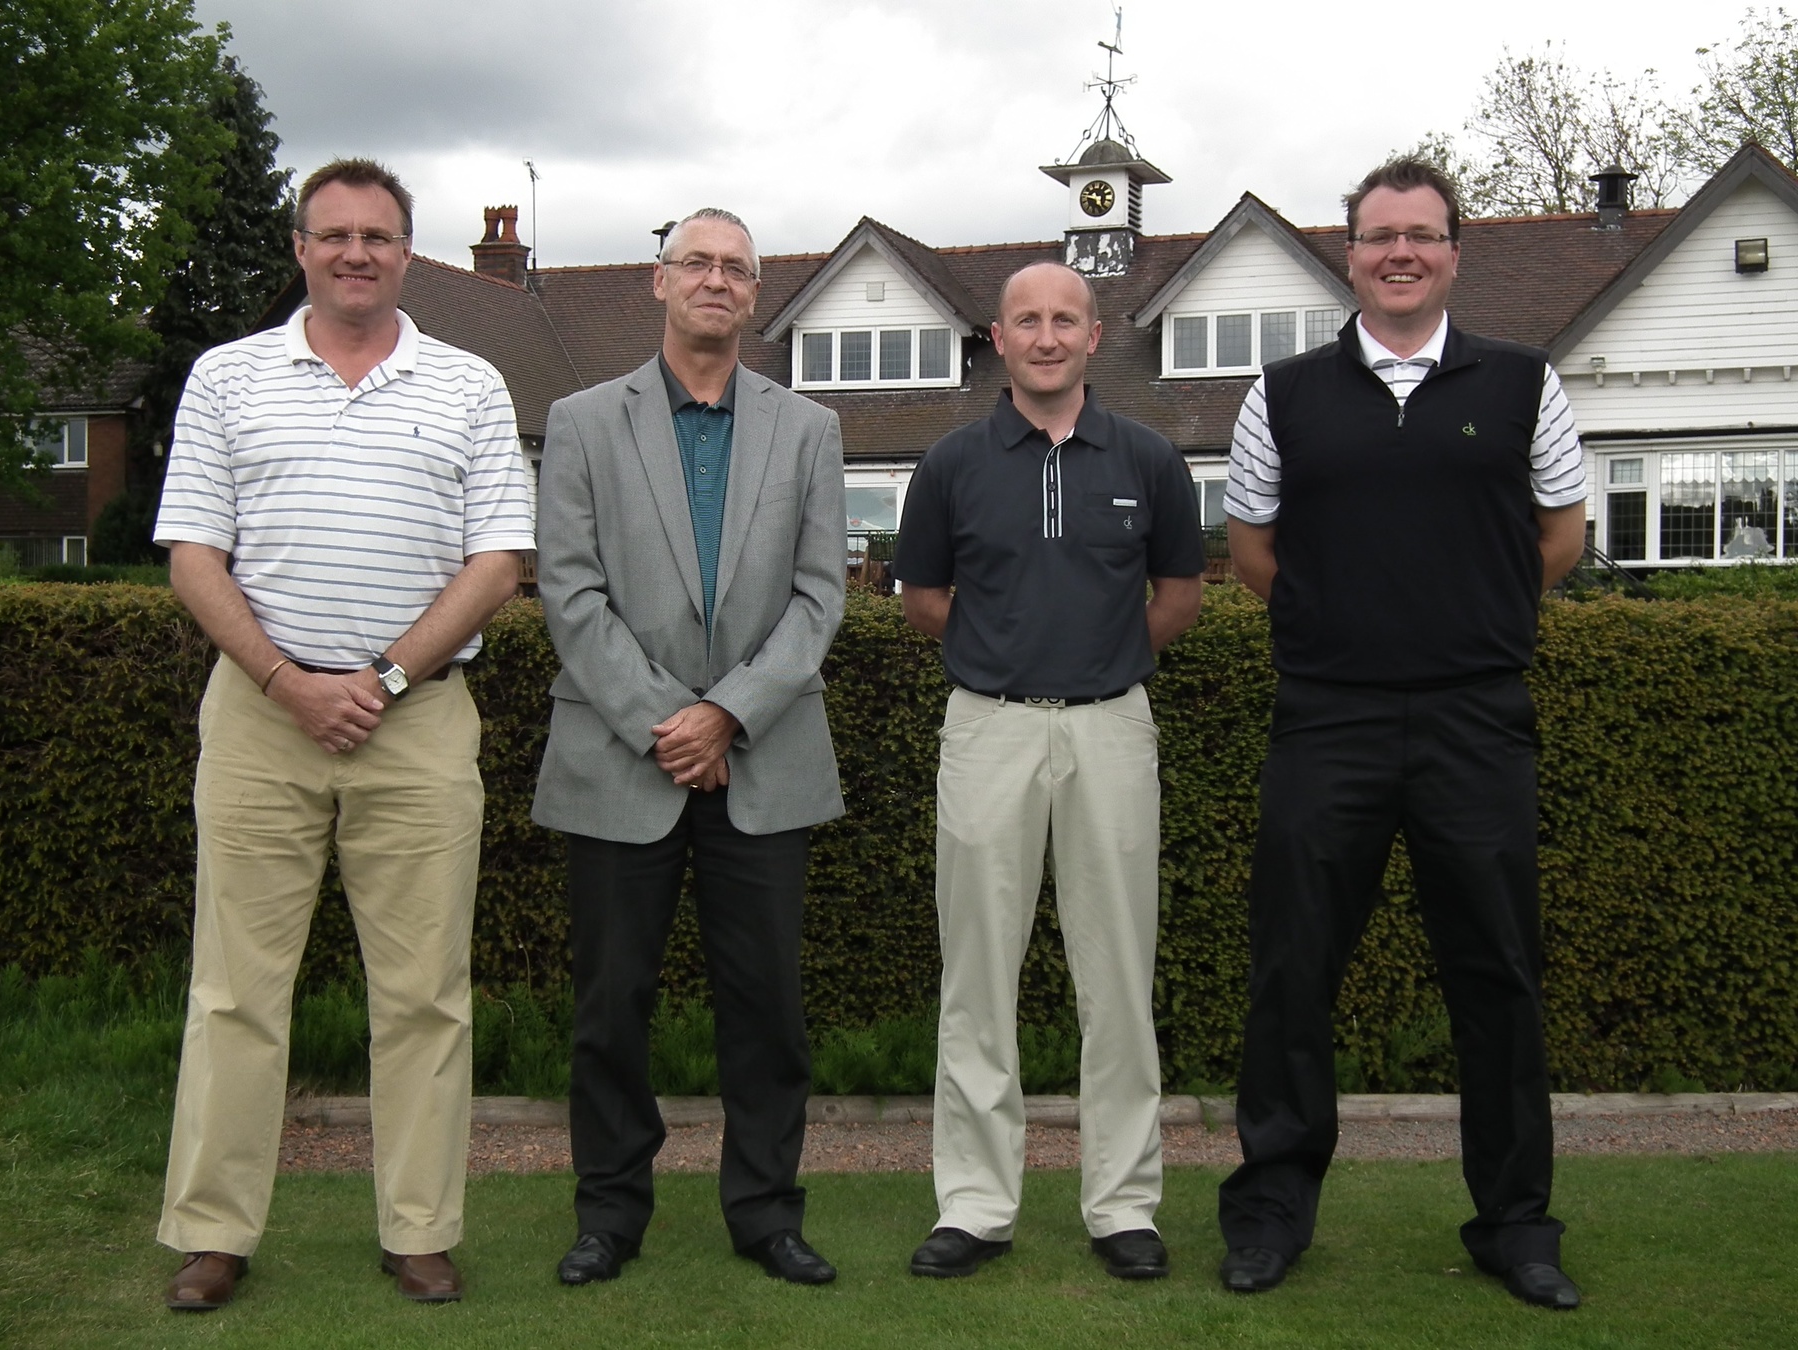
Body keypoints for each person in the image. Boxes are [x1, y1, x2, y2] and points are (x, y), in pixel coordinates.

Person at [153, 158, 535, 1309]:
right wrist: (286, 681)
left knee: (424, 994)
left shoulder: (469, 385)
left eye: (377, 235)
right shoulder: (227, 378)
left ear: (406, 253)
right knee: (234, 991)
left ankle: (419, 1227)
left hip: (416, 723)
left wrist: (380, 677)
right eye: (335, 235)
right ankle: (214, 1231)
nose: (356, 252)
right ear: (302, 249)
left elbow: (498, 563)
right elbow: (193, 557)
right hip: (260, 716)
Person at [1217, 157, 1589, 1310]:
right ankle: (1271, 1214)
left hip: (1477, 719)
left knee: (1499, 976)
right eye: (1380, 236)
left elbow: (1562, 535)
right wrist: (1342, 630)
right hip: (1328, 718)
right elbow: (1252, 552)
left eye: (1422, 235)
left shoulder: (1526, 382)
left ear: (1454, 254)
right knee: (1292, 972)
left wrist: (1468, 617)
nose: (1401, 253)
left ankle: (1516, 1224)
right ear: (1352, 255)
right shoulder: (1281, 394)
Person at [532, 208, 846, 1288]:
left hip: (764, 759)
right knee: (610, 1009)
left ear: (755, 293)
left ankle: (766, 1214)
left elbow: (820, 596)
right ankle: (610, 1216)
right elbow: (569, 591)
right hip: (622, 759)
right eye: (696, 263)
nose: (716, 279)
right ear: (658, 282)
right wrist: (671, 721)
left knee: (768, 1013)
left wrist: (729, 714)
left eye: (736, 268)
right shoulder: (581, 422)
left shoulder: (808, 429)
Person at [892, 261, 1206, 1282]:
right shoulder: (951, 463)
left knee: (1118, 974)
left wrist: (1097, 664)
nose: (1046, 336)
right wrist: (1011, 660)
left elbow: (1178, 595)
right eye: (1026, 319)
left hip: (1112, 728)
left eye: (1065, 319)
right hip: (989, 729)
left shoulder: (1150, 458)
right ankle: (976, 1206)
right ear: (998, 336)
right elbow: (925, 600)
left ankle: (1123, 1206)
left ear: (1094, 334)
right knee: (978, 976)